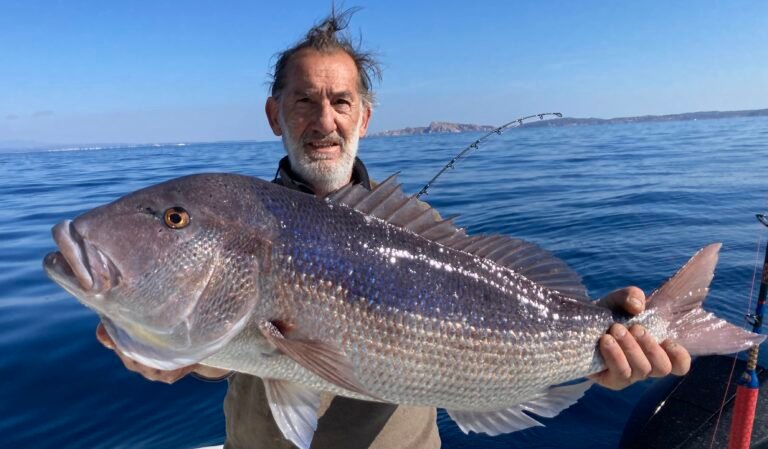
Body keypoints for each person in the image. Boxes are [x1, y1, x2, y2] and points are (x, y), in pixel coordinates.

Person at [96, 9, 692, 449]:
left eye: (341, 102)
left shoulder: (420, 235)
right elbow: (228, 346)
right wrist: (171, 352)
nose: (324, 121)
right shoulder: (235, 222)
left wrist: (602, 352)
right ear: (275, 114)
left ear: (364, 116)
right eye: (303, 102)